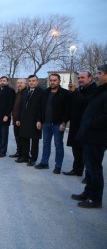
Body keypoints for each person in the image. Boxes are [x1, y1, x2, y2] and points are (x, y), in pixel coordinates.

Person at [71, 64, 107, 208]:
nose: (97, 76)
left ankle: (95, 199)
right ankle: (87, 193)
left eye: (99, 73)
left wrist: (91, 123)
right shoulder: (100, 91)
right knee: (90, 169)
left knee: (94, 169)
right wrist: (75, 92)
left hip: (97, 137)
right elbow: (85, 102)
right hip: (89, 136)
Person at [63, 71, 97, 179]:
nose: (80, 79)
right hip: (75, 124)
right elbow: (71, 105)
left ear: (90, 78)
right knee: (76, 148)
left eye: (82, 77)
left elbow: (85, 103)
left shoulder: (94, 90)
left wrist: (74, 93)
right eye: (78, 78)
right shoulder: (78, 90)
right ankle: (77, 169)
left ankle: (89, 175)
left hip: (87, 125)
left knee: (87, 152)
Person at [35, 74, 70, 174]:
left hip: (58, 124)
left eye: (55, 80)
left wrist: (64, 123)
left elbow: (67, 110)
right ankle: (44, 162)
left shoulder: (64, 93)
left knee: (58, 145)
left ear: (59, 81)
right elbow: (40, 108)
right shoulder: (45, 92)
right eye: (51, 80)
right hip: (46, 123)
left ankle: (58, 166)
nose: (52, 82)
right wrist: (39, 120)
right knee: (46, 143)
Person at [16, 75, 43, 166]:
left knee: (34, 140)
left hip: (35, 120)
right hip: (24, 119)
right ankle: (25, 156)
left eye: (33, 81)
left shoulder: (41, 92)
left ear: (37, 82)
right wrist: (19, 118)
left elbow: (41, 107)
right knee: (24, 138)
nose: (31, 82)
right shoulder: (26, 92)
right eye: (30, 81)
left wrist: (39, 120)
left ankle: (33, 158)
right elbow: (22, 106)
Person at [0, 76, 16, 158]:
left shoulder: (11, 91)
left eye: (4, 81)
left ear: (7, 82)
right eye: (1, 81)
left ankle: (3, 151)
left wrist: (7, 115)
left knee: (4, 135)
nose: (2, 82)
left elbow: (11, 104)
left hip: (4, 117)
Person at [9, 78, 26, 158]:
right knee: (17, 137)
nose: (19, 84)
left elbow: (23, 108)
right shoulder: (18, 93)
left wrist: (19, 118)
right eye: (18, 83)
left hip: (22, 120)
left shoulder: (26, 93)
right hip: (15, 119)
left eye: (21, 83)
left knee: (22, 138)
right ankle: (19, 152)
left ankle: (23, 154)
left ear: (25, 84)